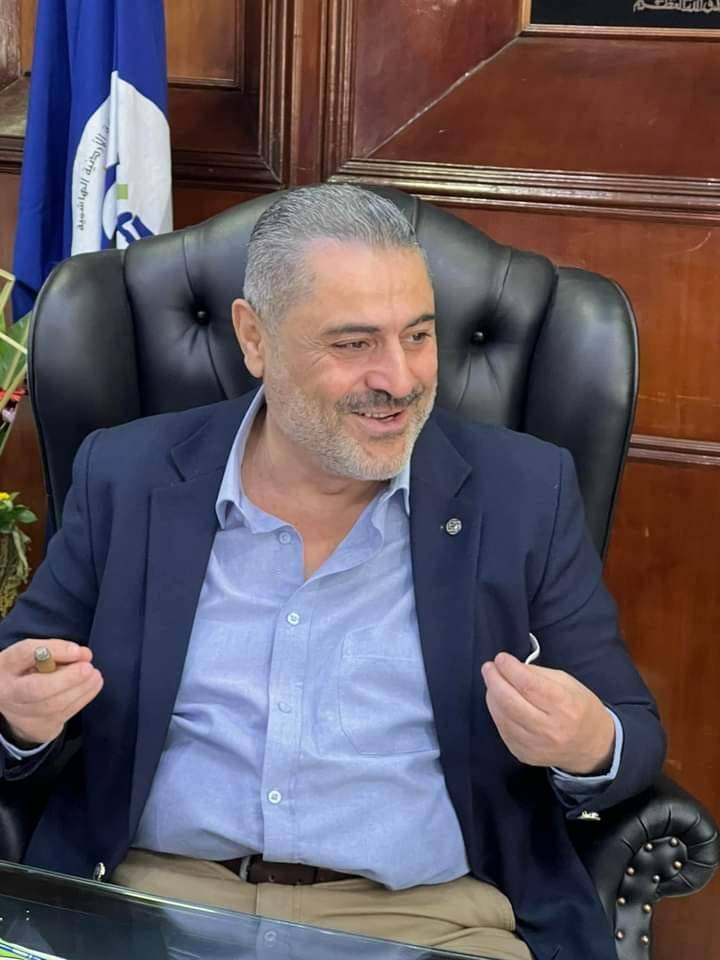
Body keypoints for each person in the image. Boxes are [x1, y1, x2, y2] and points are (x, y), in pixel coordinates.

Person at [0, 185, 665, 960]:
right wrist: (20, 717)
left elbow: (630, 734)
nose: (400, 379)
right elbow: (21, 681)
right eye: (354, 344)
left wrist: (586, 742)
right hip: (152, 904)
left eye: (419, 335)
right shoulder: (129, 474)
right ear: (254, 337)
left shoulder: (521, 492)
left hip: (425, 918)